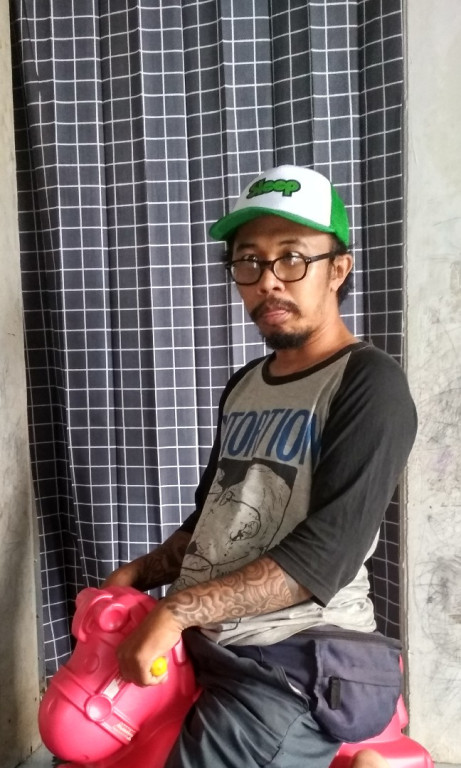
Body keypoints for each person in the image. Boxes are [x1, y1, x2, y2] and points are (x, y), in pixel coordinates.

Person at [103, 165, 417, 768]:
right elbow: (211, 521)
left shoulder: (369, 384)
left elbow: (325, 556)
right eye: (249, 262)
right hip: (215, 640)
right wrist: (137, 574)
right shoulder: (246, 384)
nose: (268, 280)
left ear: (338, 269)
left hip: (298, 660)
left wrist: (176, 609)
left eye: (292, 258)